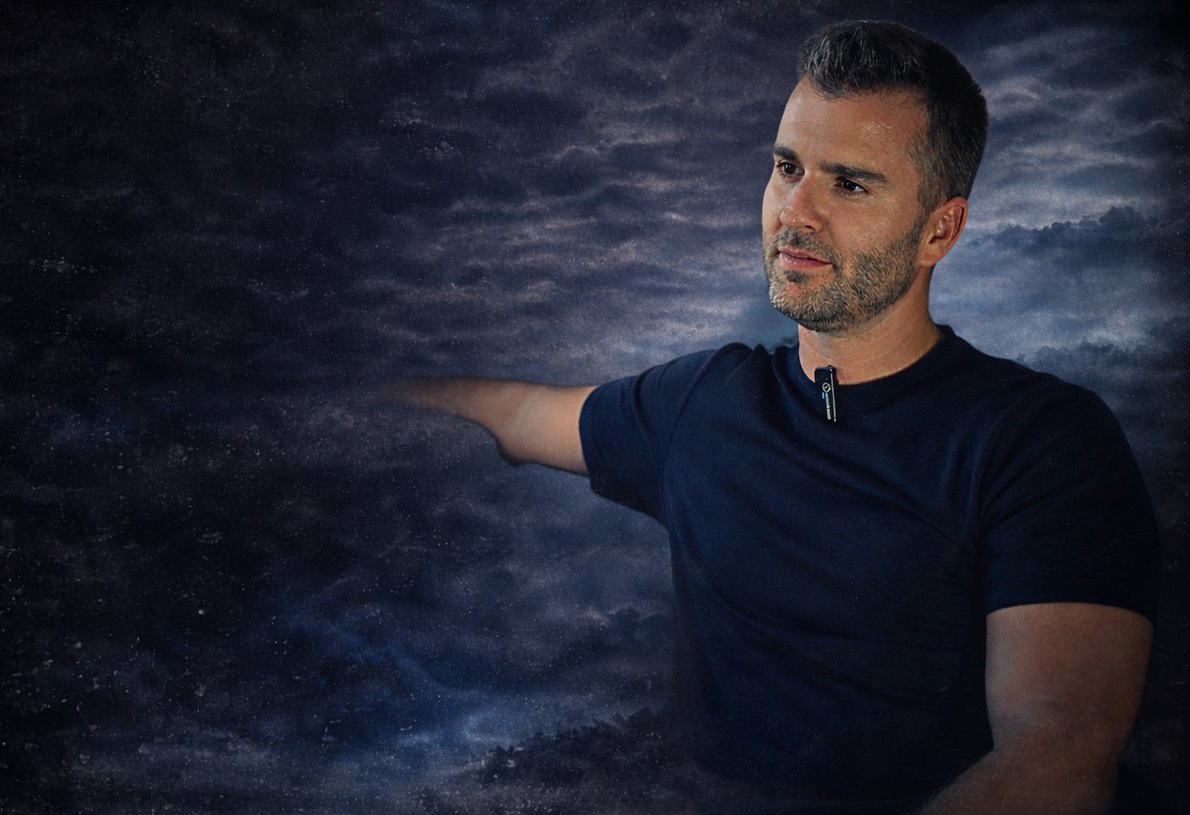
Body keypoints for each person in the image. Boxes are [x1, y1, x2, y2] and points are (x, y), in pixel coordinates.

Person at [391, 20, 1159, 815]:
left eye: (849, 184)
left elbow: (1060, 749)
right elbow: (521, 413)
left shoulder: (1043, 441)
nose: (796, 210)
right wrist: (364, 395)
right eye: (788, 167)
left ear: (940, 229)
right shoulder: (702, 404)